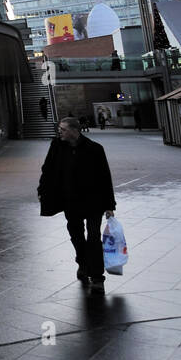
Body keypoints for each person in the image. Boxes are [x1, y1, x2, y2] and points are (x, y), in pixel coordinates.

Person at [37, 117, 118, 295]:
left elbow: (105, 177)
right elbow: (47, 169)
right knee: (76, 234)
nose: (60, 132)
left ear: (75, 130)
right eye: (60, 129)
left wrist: (109, 205)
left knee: (94, 236)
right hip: (70, 200)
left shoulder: (95, 149)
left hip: (93, 201)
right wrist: (42, 189)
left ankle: (97, 277)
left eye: (63, 129)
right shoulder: (57, 146)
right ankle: (82, 261)